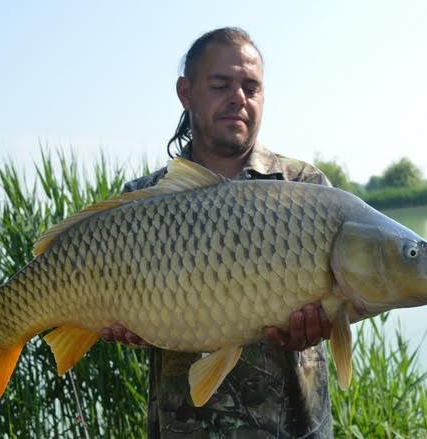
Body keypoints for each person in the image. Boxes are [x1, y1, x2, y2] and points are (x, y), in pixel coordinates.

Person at [101, 27, 334, 438]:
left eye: (251, 87)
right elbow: (110, 314)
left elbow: (357, 290)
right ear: (186, 93)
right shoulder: (142, 201)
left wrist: (328, 322)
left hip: (293, 429)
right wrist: (120, 324)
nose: (238, 98)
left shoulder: (305, 188)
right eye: (221, 84)